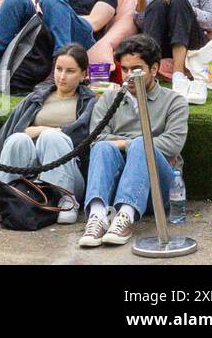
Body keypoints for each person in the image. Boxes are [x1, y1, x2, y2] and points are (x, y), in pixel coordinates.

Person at [78, 34, 188, 248]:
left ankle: (125, 217)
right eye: (125, 69)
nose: (129, 76)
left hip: (160, 188)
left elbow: (173, 144)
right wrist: (133, 143)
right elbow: (96, 139)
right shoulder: (109, 99)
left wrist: (127, 143)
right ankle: (98, 216)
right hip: (118, 181)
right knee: (102, 147)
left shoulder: (174, 102)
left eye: (136, 69)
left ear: (153, 69)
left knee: (141, 145)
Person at [0, 45, 95, 225]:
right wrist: (46, 130)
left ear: (83, 74)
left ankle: (67, 201)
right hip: (31, 167)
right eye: (59, 69)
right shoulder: (36, 97)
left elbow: (84, 136)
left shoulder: (89, 102)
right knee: (17, 139)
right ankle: (4, 197)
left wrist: (47, 132)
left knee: (51, 138)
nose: (62, 76)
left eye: (70, 71)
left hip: (69, 169)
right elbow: (18, 129)